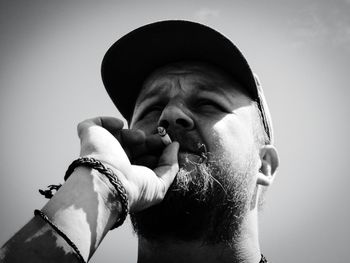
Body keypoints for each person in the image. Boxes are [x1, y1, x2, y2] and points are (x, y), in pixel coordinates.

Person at [0, 20, 279, 263]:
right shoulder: (105, 179)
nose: (169, 115)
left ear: (264, 165)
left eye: (207, 103)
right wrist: (102, 183)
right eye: (152, 108)